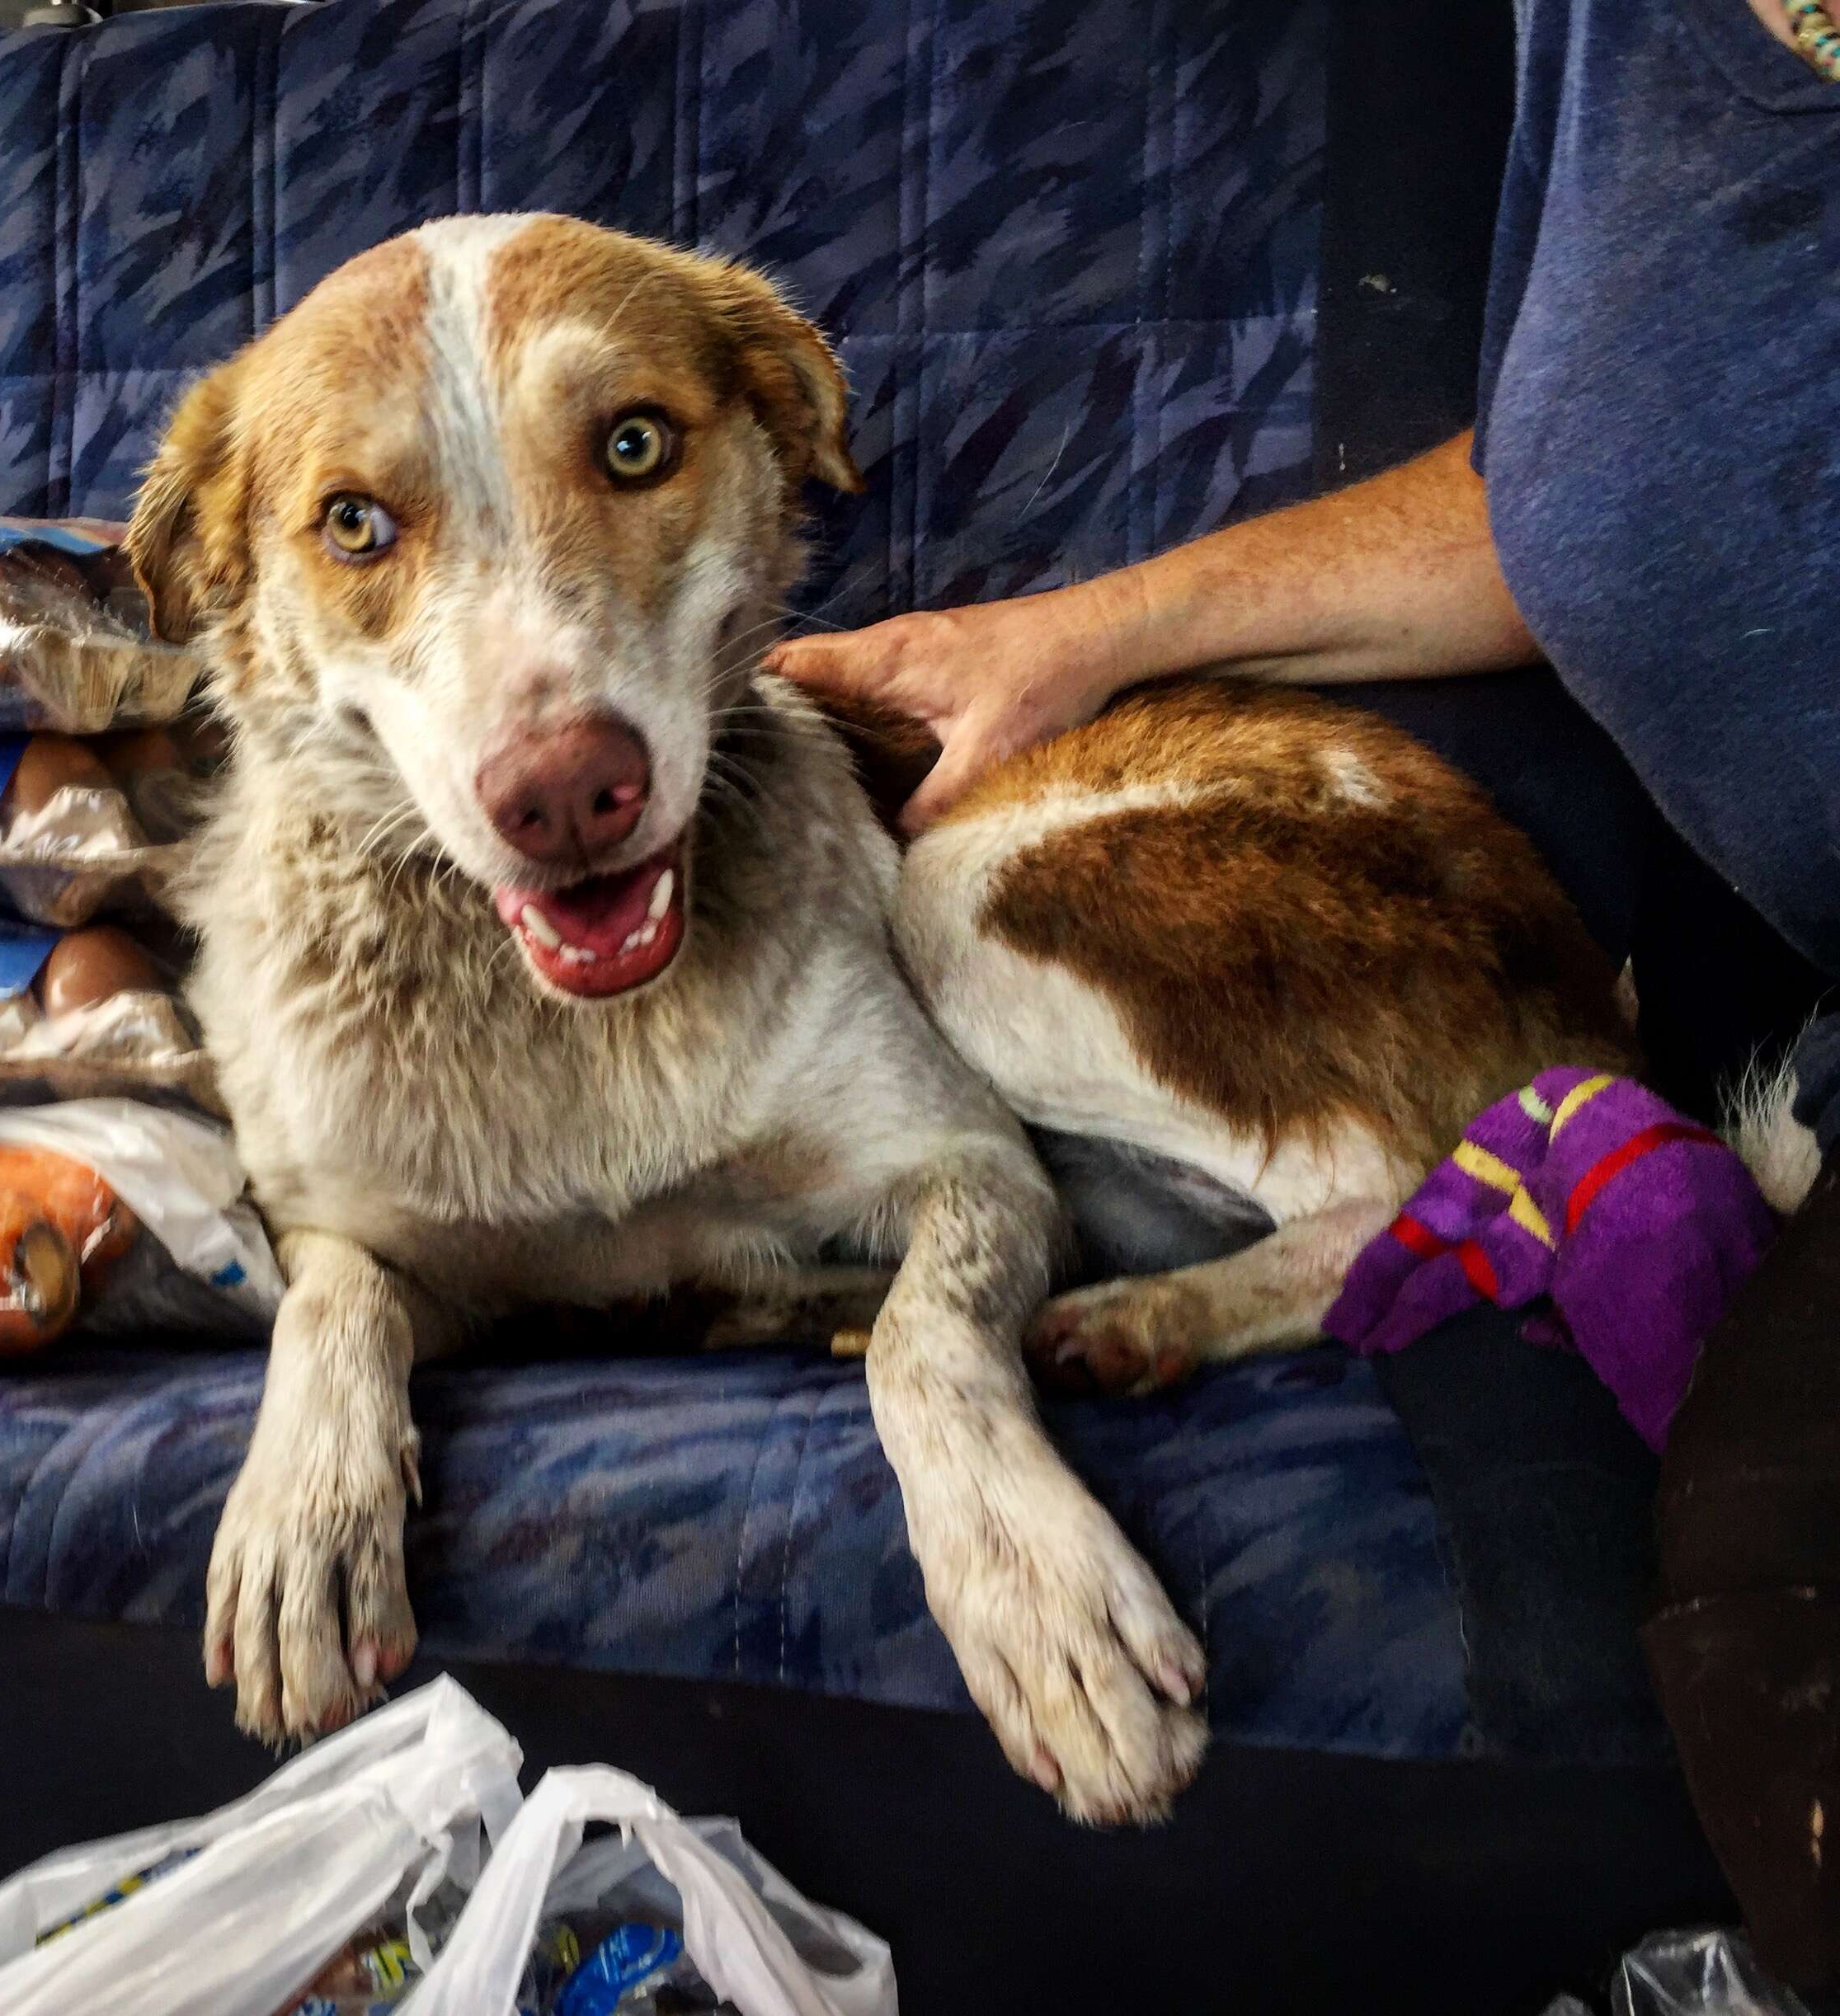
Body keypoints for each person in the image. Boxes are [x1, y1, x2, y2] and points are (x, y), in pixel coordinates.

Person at [774, 0, 1840, 1992]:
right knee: (1765, 1590)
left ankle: (1378, 1195)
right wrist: (1071, 636)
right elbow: (1558, 489)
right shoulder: (1602, 41)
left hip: (1366, 973)